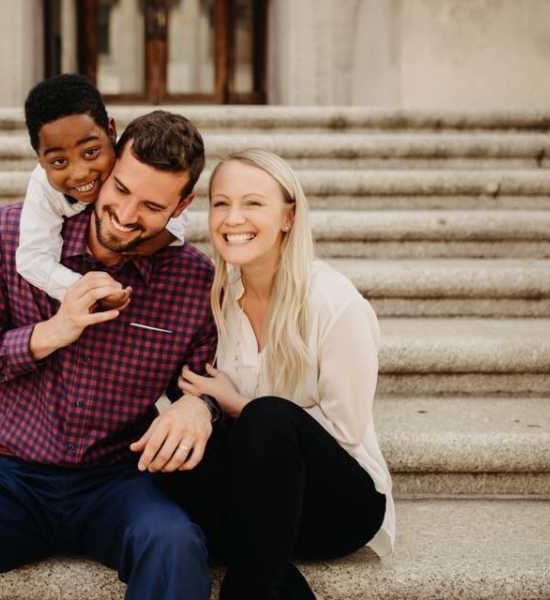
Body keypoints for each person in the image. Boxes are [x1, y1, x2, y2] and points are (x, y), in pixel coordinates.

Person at [0, 109, 220, 600]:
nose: (125, 214)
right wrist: (52, 332)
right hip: (16, 479)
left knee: (174, 546)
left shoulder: (191, 279)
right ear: (109, 164)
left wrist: (196, 406)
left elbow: (208, 383)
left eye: (151, 206)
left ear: (182, 205)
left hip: (119, 481)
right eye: (119, 189)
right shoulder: (16, 233)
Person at [162, 149, 396, 600]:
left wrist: (236, 404)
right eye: (222, 203)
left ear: (288, 216)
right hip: (256, 505)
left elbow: (346, 429)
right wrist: (198, 404)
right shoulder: (218, 300)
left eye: (253, 203)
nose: (234, 218)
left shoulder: (333, 302)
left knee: (268, 417)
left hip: (337, 506)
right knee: (166, 450)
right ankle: (271, 582)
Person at [17, 73, 188, 306]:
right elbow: (32, 258)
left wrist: (137, 246)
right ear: (39, 158)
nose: (80, 173)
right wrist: (87, 289)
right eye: (59, 161)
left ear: (111, 133)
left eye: (90, 152)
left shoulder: (129, 161)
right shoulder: (42, 186)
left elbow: (172, 214)